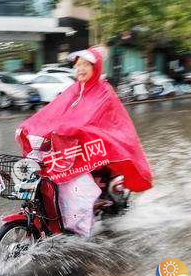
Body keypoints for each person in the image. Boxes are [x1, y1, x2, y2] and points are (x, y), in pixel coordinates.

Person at [15, 46, 152, 237]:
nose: (81, 68)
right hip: (71, 147)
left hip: (96, 148)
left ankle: (77, 224)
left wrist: (72, 128)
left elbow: (93, 119)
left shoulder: (103, 91)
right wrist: (30, 126)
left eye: (86, 64)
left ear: (96, 68)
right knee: (45, 171)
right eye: (78, 65)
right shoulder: (73, 90)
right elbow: (51, 113)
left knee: (74, 184)